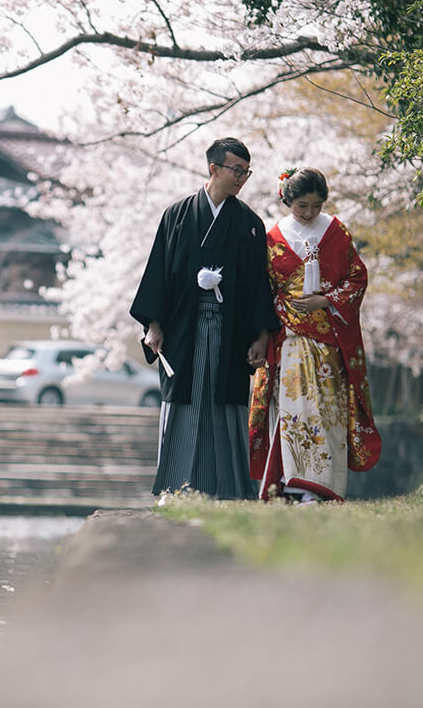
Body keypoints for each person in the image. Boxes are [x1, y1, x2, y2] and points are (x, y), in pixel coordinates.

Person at [130, 137, 281, 499]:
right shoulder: (177, 216)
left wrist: (261, 335)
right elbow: (159, 274)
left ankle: (227, 489)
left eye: (247, 171)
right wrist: (154, 325)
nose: (242, 177)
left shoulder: (249, 224)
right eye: (236, 170)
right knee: (183, 401)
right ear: (213, 169)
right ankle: (176, 487)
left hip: (230, 330)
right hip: (184, 328)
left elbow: (259, 286)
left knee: (224, 404)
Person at [248, 167, 381, 503]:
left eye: (316, 206)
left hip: (329, 344)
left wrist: (326, 299)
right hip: (289, 340)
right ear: (287, 199)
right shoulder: (271, 238)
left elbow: (356, 279)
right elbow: (262, 291)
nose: (308, 213)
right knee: (294, 410)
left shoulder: (337, 232)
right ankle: (294, 485)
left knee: (329, 412)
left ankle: (324, 488)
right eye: (301, 206)